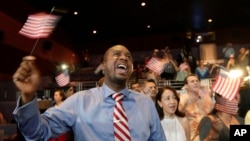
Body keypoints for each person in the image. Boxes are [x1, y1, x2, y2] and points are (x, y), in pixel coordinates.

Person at [12, 45, 166, 141]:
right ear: (103, 66)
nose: (124, 58)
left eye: (128, 57)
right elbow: (37, 133)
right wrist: (28, 95)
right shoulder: (80, 101)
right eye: (117, 54)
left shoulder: (145, 103)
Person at [178, 74, 214, 141]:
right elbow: (175, 113)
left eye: (197, 81)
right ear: (186, 85)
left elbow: (213, 114)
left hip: (207, 134)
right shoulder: (182, 99)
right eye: (192, 81)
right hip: (190, 136)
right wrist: (186, 101)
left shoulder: (206, 98)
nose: (195, 83)